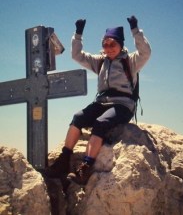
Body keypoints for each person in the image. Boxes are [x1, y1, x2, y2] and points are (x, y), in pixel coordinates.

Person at [44, 15, 151, 185]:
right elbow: (77, 55)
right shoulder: (101, 61)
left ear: (121, 44)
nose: (108, 48)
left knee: (101, 123)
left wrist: (135, 30)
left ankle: (85, 168)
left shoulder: (130, 61)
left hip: (123, 104)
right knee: (78, 117)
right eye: (105, 44)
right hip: (102, 101)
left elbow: (145, 52)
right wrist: (78, 34)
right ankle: (63, 162)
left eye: (112, 44)